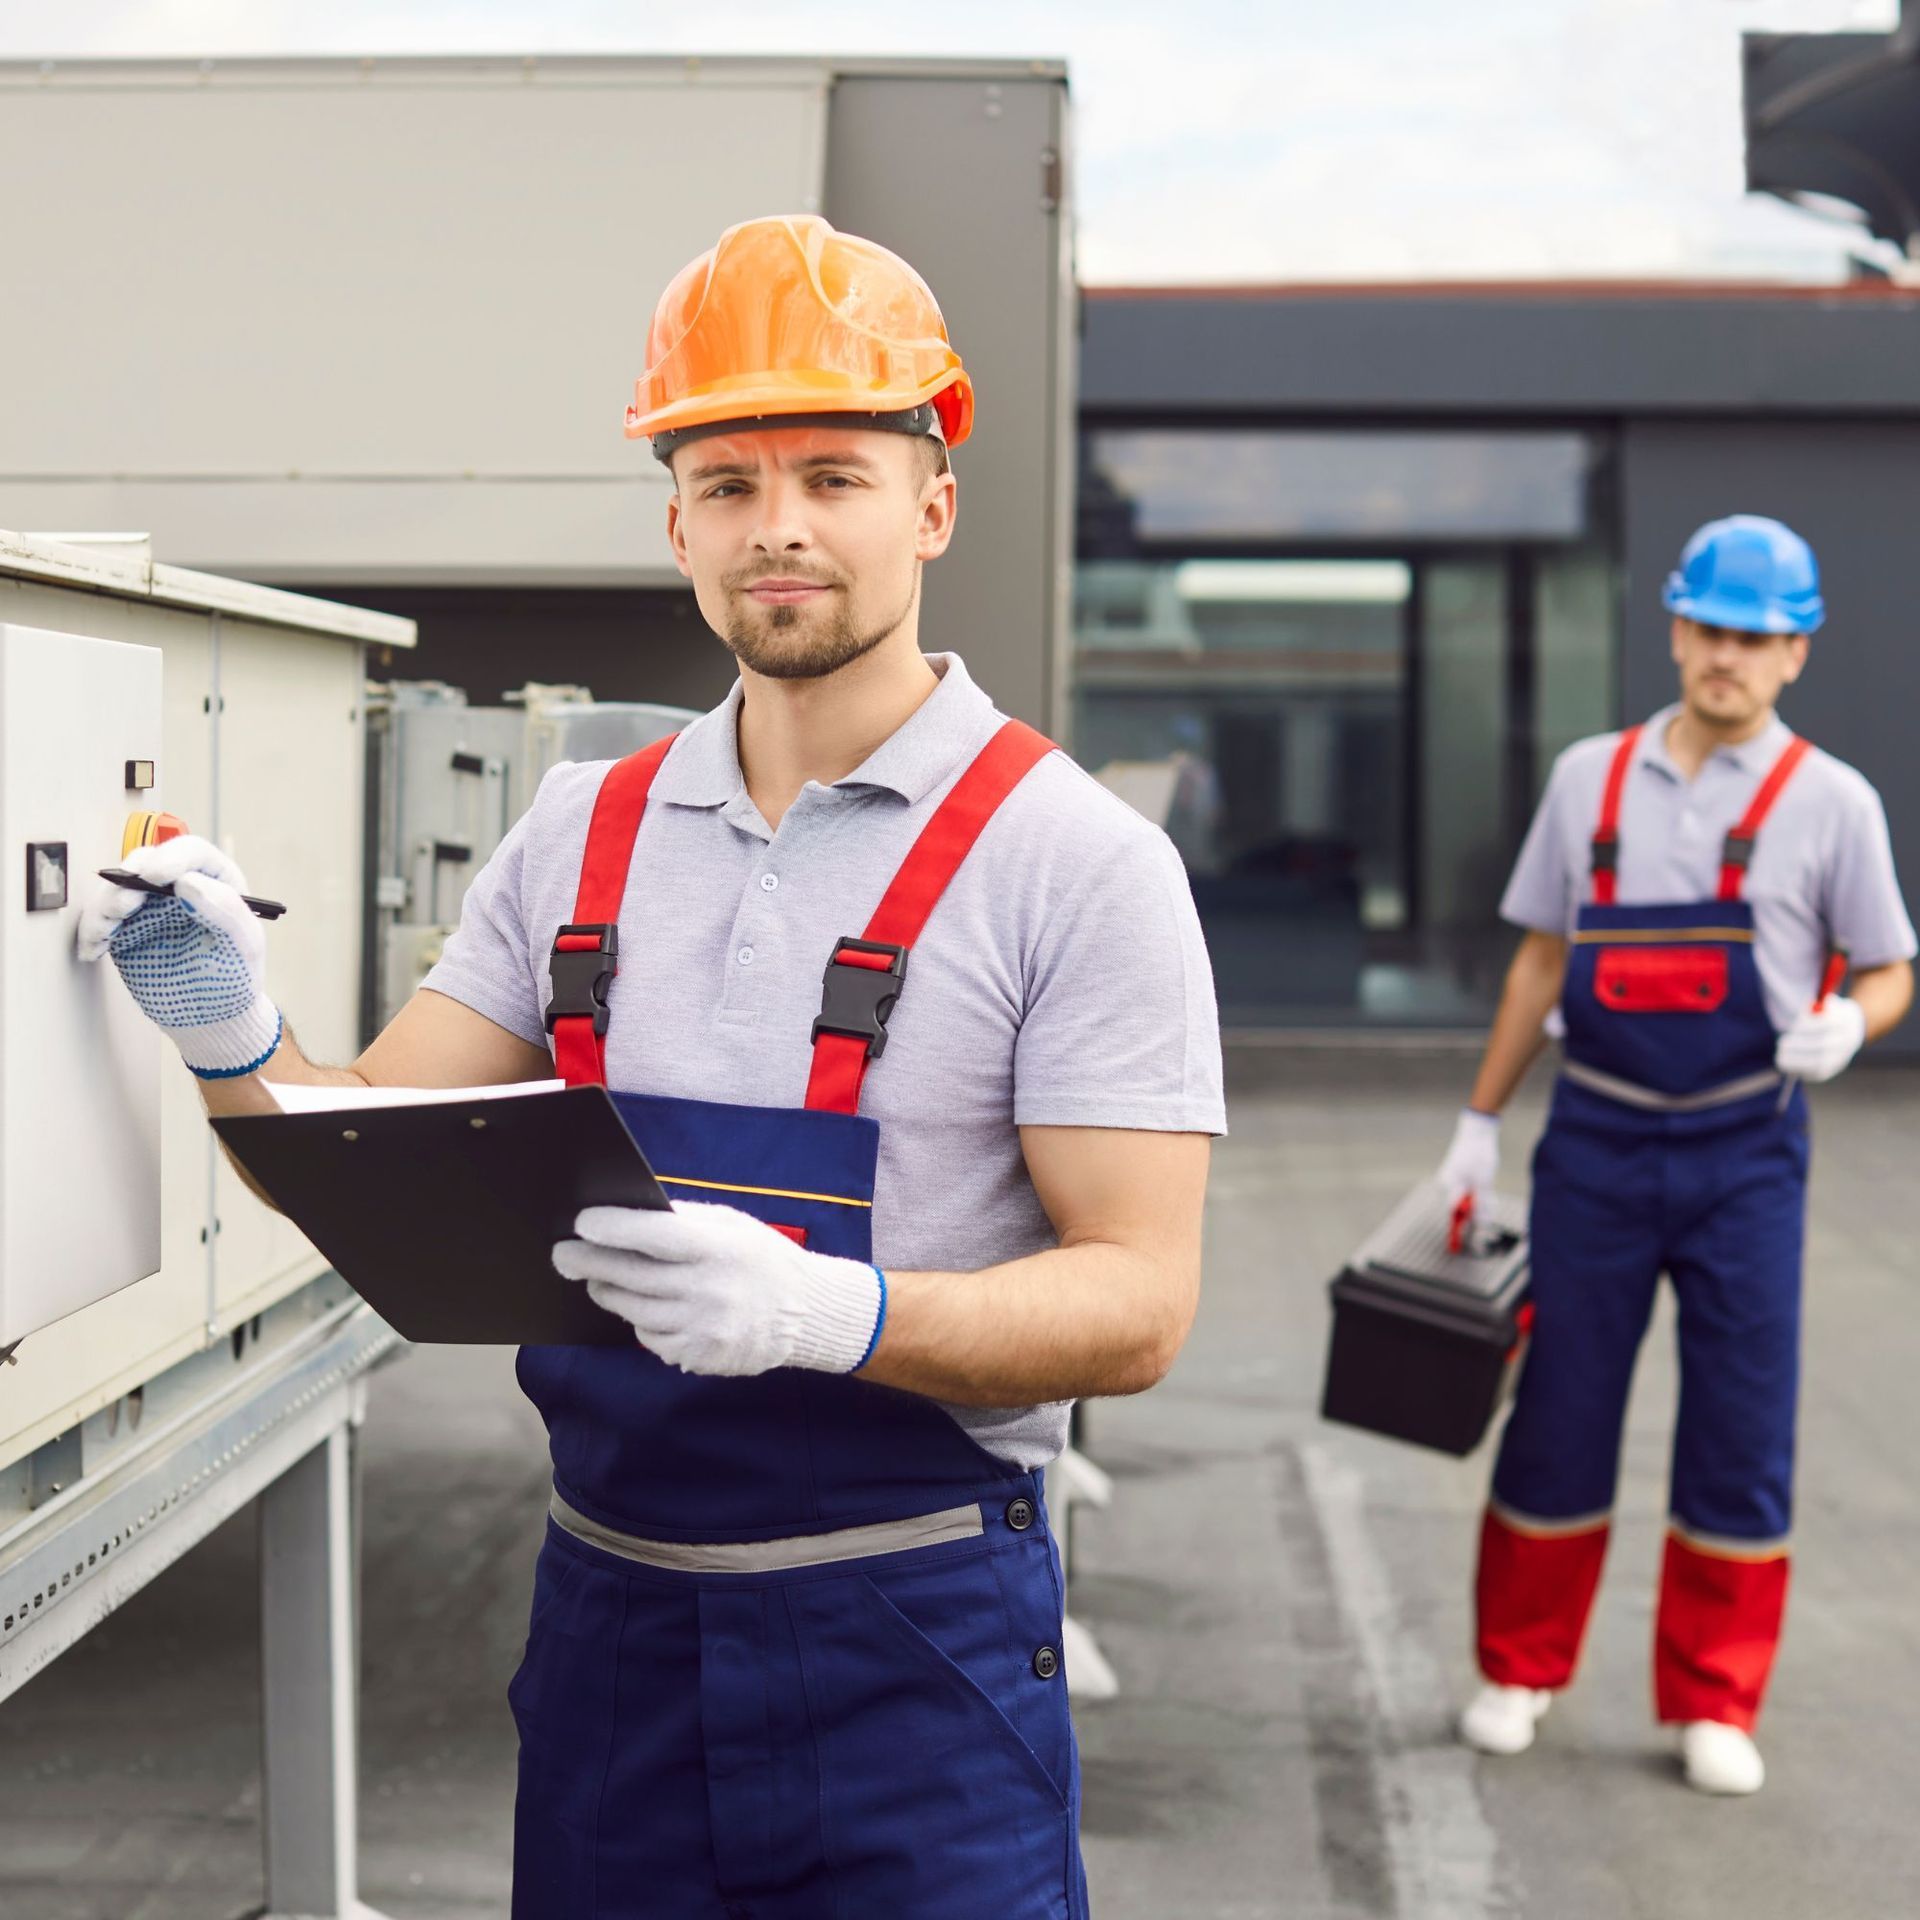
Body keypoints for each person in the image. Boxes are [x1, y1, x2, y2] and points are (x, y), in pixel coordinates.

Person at [78, 214, 1226, 1916]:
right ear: (674, 518)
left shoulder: (1074, 862)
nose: (780, 529)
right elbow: (363, 1156)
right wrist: (235, 1037)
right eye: (729, 479)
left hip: (915, 1651)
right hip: (614, 1640)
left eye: (833, 474)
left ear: (933, 504)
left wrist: (840, 1315)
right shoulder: (581, 835)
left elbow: (1139, 1302)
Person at [1437, 514, 1914, 1796]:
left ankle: (1715, 1697)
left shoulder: (1835, 804)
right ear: (1675, 629)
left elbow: (1891, 971)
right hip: (1592, 1142)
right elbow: (1541, 959)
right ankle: (1519, 1669)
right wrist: (1478, 1123)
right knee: (1562, 1408)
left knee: (1740, 1424)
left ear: (1796, 652)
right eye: (1709, 630)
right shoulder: (1589, 778)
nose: (1727, 657)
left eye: (1755, 639)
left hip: (1745, 1154)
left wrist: (1846, 1025)